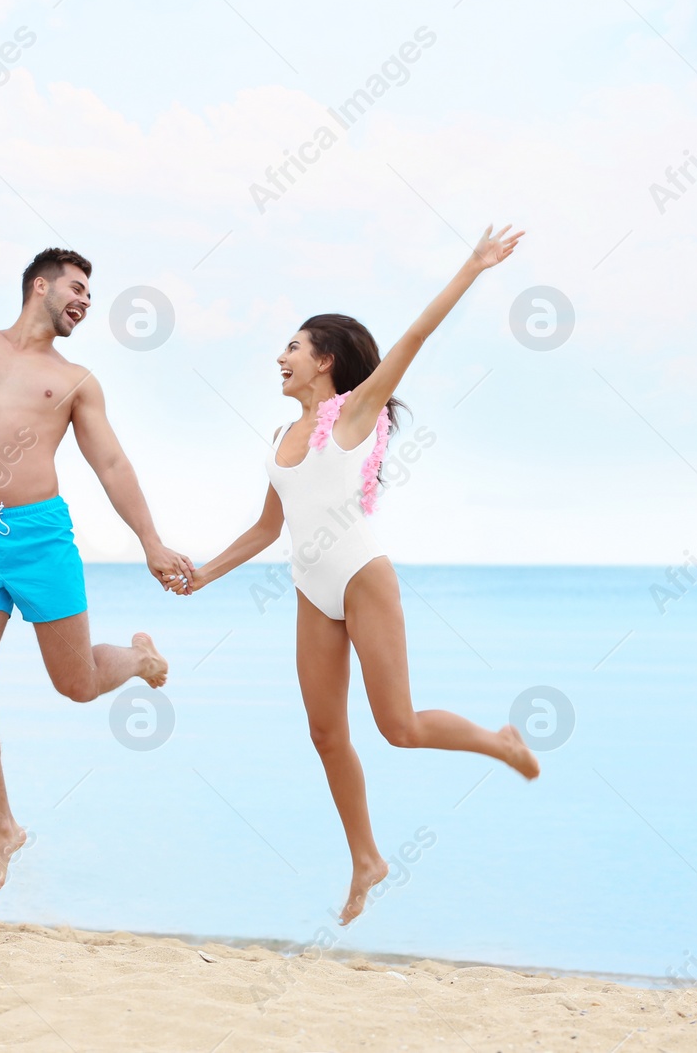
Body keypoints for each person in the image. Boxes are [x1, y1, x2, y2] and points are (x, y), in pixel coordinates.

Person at [184, 225, 538, 923]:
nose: (280, 357)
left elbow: (414, 337)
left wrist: (473, 264)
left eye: (292, 346)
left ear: (325, 360)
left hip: (361, 575)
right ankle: (366, 857)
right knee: (324, 732)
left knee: (397, 726)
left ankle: (500, 741)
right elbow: (267, 526)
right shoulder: (282, 438)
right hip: (310, 587)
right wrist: (202, 575)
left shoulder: (357, 412)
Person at [0, 125, 192, 904]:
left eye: (91, 296)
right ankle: (2, 827)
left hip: (42, 536)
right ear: (41, 285)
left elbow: (111, 464)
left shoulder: (77, 380)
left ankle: (145, 661)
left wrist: (152, 542)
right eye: (78, 289)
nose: (85, 302)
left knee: (78, 685)